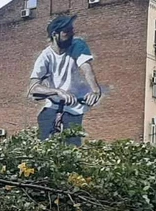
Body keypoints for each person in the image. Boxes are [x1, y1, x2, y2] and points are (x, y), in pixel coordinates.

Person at [29, 15, 102, 146]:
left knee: (72, 144)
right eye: (66, 32)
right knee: (44, 136)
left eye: (72, 30)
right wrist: (57, 92)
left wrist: (95, 91)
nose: (71, 34)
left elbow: (86, 69)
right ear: (55, 34)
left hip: (75, 106)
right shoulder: (46, 56)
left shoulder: (78, 44)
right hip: (53, 104)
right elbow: (34, 87)